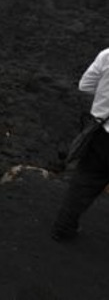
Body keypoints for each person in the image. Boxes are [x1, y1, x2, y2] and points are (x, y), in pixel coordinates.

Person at [52, 47, 109, 241]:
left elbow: (85, 86)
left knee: (84, 181)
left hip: (101, 134)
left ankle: (63, 227)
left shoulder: (107, 55)